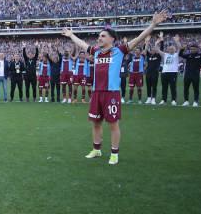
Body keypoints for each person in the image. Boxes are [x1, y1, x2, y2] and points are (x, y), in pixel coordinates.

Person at [63, 10, 168, 165]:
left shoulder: (119, 50)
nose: (99, 38)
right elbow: (83, 45)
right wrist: (71, 35)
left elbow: (139, 39)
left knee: (113, 124)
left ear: (112, 39)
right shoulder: (96, 52)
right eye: (99, 36)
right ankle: (96, 149)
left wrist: (153, 24)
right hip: (96, 92)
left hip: (111, 93)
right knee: (96, 123)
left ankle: (114, 153)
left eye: (103, 36)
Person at [178, 32, 201, 107]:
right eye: (191, 49)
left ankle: (196, 101)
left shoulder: (199, 55)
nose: (192, 50)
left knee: (196, 89)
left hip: (195, 74)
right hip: (187, 74)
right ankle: (186, 101)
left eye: (194, 49)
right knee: (186, 88)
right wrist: (182, 49)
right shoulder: (188, 55)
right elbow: (180, 54)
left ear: (197, 49)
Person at [154, 33, 180, 105]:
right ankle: (163, 100)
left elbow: (180, 48)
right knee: (164, 87)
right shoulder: (165, 54)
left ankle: (173, 100)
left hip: (173, 73)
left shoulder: (176, 55)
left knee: (173, 87)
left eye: (172, 49)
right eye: (170, 49)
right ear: (168, 50)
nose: (171, 50)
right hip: (164, 73)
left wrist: (177, 41)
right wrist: (157, 42)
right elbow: (157, 49)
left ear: (174, 49)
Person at [144, 40, 161, 105]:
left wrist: (157, 43)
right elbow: (145, 50)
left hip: (155, 73)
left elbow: (160, 49)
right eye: (151, 50)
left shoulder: (158, 56)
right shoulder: (149, 56)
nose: (152, 51)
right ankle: (148, 98)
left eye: (154, 50)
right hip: (148, 73)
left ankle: (153, 98)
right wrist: (147, 43)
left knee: (154, 86)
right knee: (148, 86)